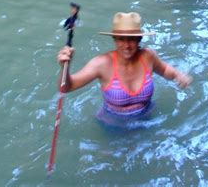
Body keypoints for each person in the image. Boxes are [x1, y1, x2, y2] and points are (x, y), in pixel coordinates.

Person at [56, 12, 192, 123]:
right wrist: (64, 68)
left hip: (146, 120)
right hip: (112, 124)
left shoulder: (148, 56)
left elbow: (164, 70)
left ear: (139, 39)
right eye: (121, 39)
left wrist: (178, 75)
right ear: (114, 39)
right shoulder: (102, 63)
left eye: (131, 39)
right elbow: (66, 87)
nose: (126, 45)